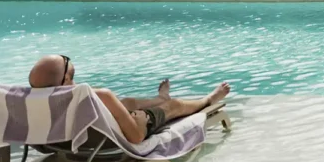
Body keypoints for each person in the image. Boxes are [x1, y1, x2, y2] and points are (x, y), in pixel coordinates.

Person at [28, 54, 231, 145]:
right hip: (110, 137)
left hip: (69, 137)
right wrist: (140, 123)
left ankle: (158, 98)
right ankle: (207, 100)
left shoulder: (32, 101)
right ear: (65, 79)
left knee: (126, 103)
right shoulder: (99, 95)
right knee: (173, 106)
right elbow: (135, 137)